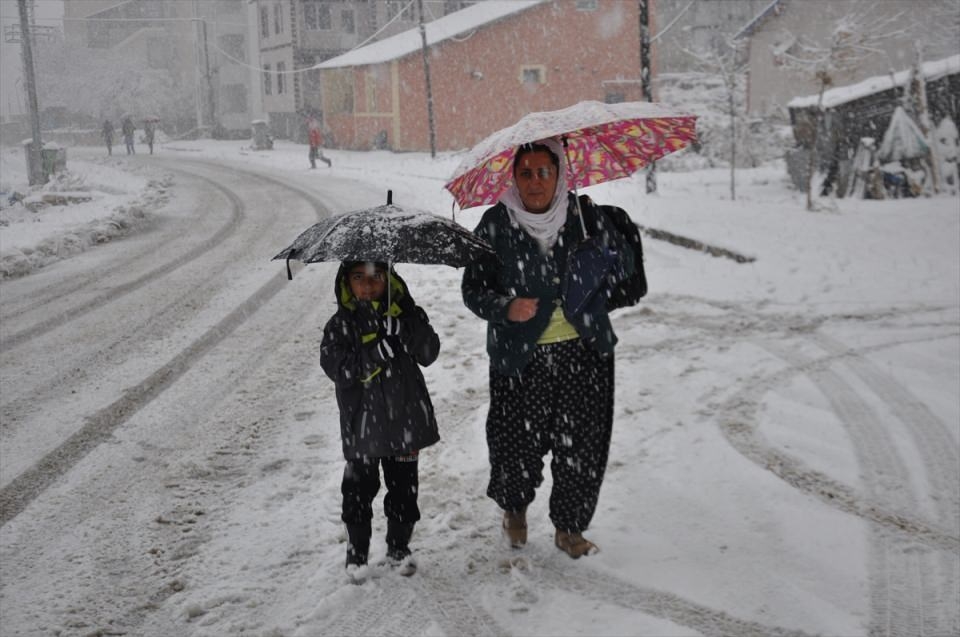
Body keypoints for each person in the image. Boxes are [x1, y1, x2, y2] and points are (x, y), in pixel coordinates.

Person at [461, 138, 633, 559]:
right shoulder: (495, 225)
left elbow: (618, 272)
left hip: (586, 351)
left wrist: (602, 262)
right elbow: (473, 290)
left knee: (583, 445)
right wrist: (506, 307)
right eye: (526, 173)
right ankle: (515, 508)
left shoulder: (583, 216)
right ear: (513, 178)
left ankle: (569, 527)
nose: (535, 182)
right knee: (514, 443)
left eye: (544, 172)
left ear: (559, 174)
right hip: (520, 357)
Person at [320, 260, 440, 578]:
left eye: (376, 277)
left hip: (405, 421)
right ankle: (357, 554)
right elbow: (338, 369)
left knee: (404, 490)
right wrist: (376, 351)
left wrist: (404, 330)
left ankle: (399, 548)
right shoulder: (340, 325)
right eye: (359, 278)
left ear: (388, 279)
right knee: (358, 491)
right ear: (347, 282)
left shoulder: (407, 314)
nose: (368, 285)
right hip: (362, 425)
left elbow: (429, 352)